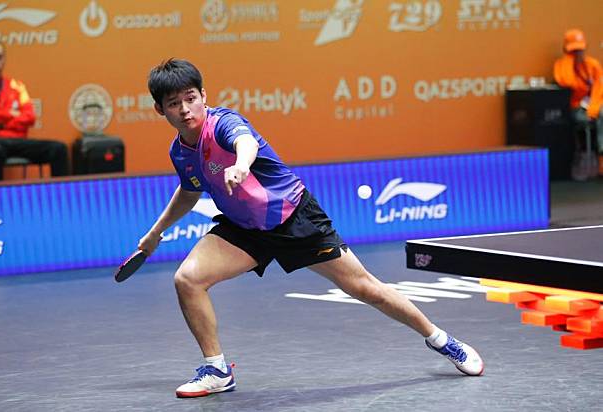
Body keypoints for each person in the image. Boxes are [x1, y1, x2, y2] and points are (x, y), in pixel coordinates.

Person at [139, 59, 484, 398]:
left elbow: (247, 143)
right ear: (160, 110)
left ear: (203, 95)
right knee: (187, 279)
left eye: (190, 98)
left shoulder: (225, 123)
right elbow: (189, 190)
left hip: (293, 218)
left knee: (366, 288)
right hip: (244, 228)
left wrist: (242, 165)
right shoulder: (180, 151)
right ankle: (216, 370)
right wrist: (156, 232)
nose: (185, 109)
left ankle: (442, 340)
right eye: (174, 103)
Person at [0, 40, 68, 181]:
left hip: (17, 141)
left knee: (58, 149)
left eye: (0, 57)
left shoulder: (17, 86)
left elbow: (30, 117)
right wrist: (8, 114)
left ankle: (61, 197)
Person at [553, 28, 603, 176]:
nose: (578, 54)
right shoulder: (561, 65)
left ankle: (601, 159)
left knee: (602, 114)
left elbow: (599, 88)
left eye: (580, 50)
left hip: (594, 106)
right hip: (575, 109)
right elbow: (567, 82)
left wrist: (593, 108)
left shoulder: (592, 64)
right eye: (573, 51)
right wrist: (570, 61)